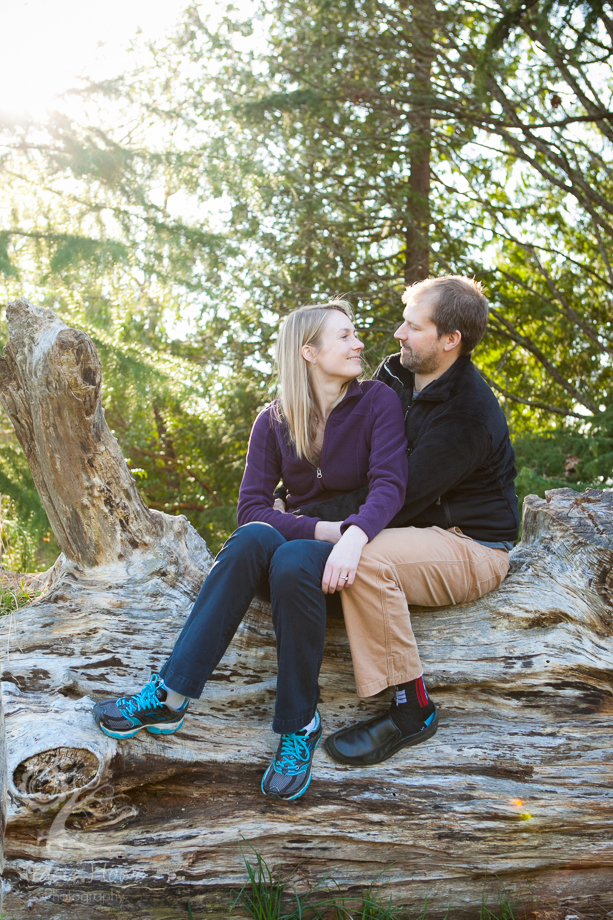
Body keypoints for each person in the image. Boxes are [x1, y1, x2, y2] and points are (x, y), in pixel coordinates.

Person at [92, 300, 409, 801]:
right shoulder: (274, 419)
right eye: (344, 336)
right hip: (314, 546)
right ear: (308, 351)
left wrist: (353, 536)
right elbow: (253, 510)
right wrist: (326, 528)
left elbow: (390, 487)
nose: (358, 344)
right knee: (253, 540)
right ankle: (170, 697)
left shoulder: (377, 402)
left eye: (354, 335)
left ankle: (299, 724)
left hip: (345, 560)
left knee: (287, 555)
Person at [282, 276, 519, 766]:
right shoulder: (393, 377)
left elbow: (399, 497)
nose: (398, 334)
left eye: (413, 326)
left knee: (363, 555)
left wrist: (300, 516)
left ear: (450, 340)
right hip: (407, 530)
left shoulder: (469, 411)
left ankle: (413, 709)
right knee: (326, 554)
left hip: (470, 546)